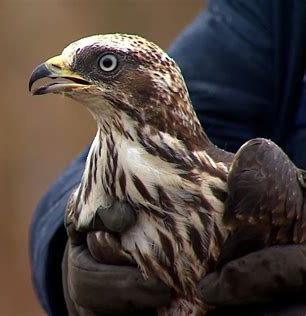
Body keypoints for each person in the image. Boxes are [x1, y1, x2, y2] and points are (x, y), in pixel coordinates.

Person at [30, 0, 306, 315]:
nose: (56, 68)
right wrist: (64, 252)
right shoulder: (277, 10)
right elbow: (196, 118)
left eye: (106, 64)